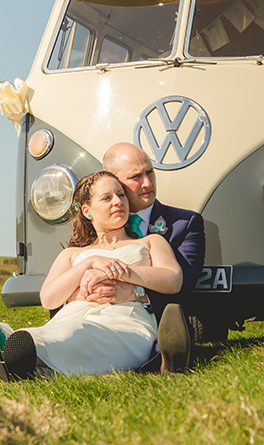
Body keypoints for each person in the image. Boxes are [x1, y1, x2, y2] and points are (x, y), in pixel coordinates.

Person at [0, 171, 191, 380]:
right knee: (63, 329)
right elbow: (49, 298)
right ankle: (19, 358)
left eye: (121, 195)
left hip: (125, 320)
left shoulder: (150, 242)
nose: (118, 202)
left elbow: (173, 279)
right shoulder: (74, 254)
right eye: (106, 198)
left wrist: (125, 273)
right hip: (74, 314)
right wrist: (89, 265)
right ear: (87, 211)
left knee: (77, 332)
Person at [85, 143, 206, 370]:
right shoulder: (94, 223)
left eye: (150, 172)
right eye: (135, 177)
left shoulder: (185, 224)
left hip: (157, 318)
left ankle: (167, 355)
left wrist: (134, 293)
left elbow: (185, 284)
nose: (147, 183)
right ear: (115, 181)